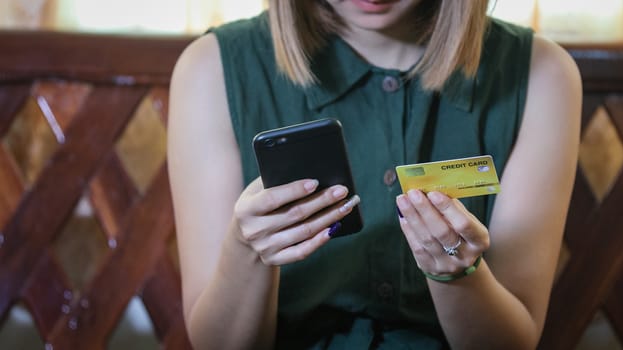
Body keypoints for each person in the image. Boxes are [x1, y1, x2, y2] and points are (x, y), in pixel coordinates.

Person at [167, 0, 581, 348]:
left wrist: (455, 274)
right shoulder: (211, 68)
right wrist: (247, 250)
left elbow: (511, 342)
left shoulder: (542, 73)